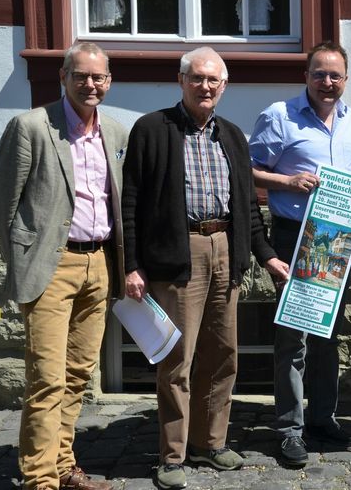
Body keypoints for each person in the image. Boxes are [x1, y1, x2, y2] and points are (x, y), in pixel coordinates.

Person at [121, 47, 289, 490]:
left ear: (225, 86)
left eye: (214, 80)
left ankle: (209, 442)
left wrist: (266, 255)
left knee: (222, 356)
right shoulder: (152, 129)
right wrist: (132, 265)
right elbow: (131, 201)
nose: (205, 87)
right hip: (178, 254)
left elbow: (248, 208)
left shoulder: (232, 135)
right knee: (177, 359)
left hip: (224, 250)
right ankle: (172, 455)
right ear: (181, 81)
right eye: (197, 78)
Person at [249, 41, 351, 467]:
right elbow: (243, 169)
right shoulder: (279, 116)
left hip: (336, 238)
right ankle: (289, 430)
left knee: (327, 336)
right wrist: (286, 182)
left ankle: (321, 420)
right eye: (319, 74)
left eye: (335, 75)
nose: (327, 82)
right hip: (294, 236)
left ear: (346, 80)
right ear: (306, 77)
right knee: (292, 340)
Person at [0, 42, 127, 490]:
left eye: (99, 77)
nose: (91, 84)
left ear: (109, 81)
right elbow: (4, 205)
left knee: (76, 376)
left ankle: (64, 465)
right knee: (46, 378)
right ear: (64, 78)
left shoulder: (113, 131)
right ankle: (38, 479)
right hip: (52, 265)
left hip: (99, 264)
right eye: (82, 76)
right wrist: (22, 264)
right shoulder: (31, 126)